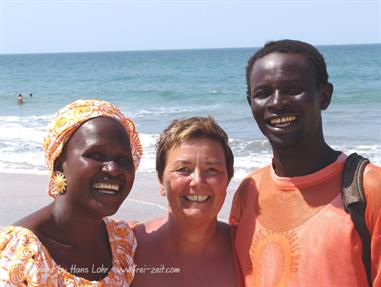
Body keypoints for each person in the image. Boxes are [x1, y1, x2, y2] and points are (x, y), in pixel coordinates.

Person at [229, 39, 381, 286]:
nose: (277, 102)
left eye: (293, 89)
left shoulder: (370, 188)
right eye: (263, 93)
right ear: (250, 104)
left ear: (324, 96)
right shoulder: (249, 192)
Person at [0, 99, 143, 286]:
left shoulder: (121, 242)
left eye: (123, 159)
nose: (113, 169)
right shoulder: (23, 253)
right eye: (96, 155)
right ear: (60, 165)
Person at [132, 116, 239, 287]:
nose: (197, 181)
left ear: (228, 179)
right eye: (183, 169)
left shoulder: (245, 249)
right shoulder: (128, 248)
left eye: (212, 169)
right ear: (161, 180)